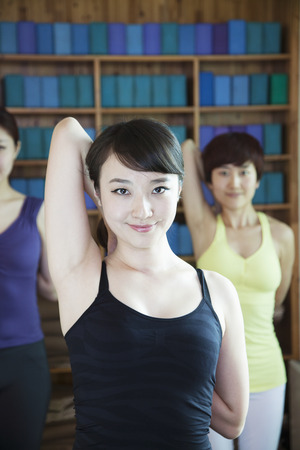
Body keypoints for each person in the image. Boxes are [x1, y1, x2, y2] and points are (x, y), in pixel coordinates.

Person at [44, 117, 249, 449]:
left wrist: (167, 373)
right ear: (96, 191)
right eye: (122, 190)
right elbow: (67, 132)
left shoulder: (218, 290)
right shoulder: (82, 277)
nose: (142, 209)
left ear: (180, 188)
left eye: (159, 188)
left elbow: (233, 421)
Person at [181, 133, 295, 450]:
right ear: (210, 181)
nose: (234, 183)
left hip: (268, 373)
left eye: (244, 171)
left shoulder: (282, 235)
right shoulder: (204, 227)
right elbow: (186, 150)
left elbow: (278, 300)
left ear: (258, 179)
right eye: (223, 172)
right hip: (212, 377)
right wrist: (202, 157)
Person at [0, 108, 57, 449]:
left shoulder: (38, 210)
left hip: (24, 362)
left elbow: (51, 289)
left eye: (0, 147)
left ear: (17, 149)